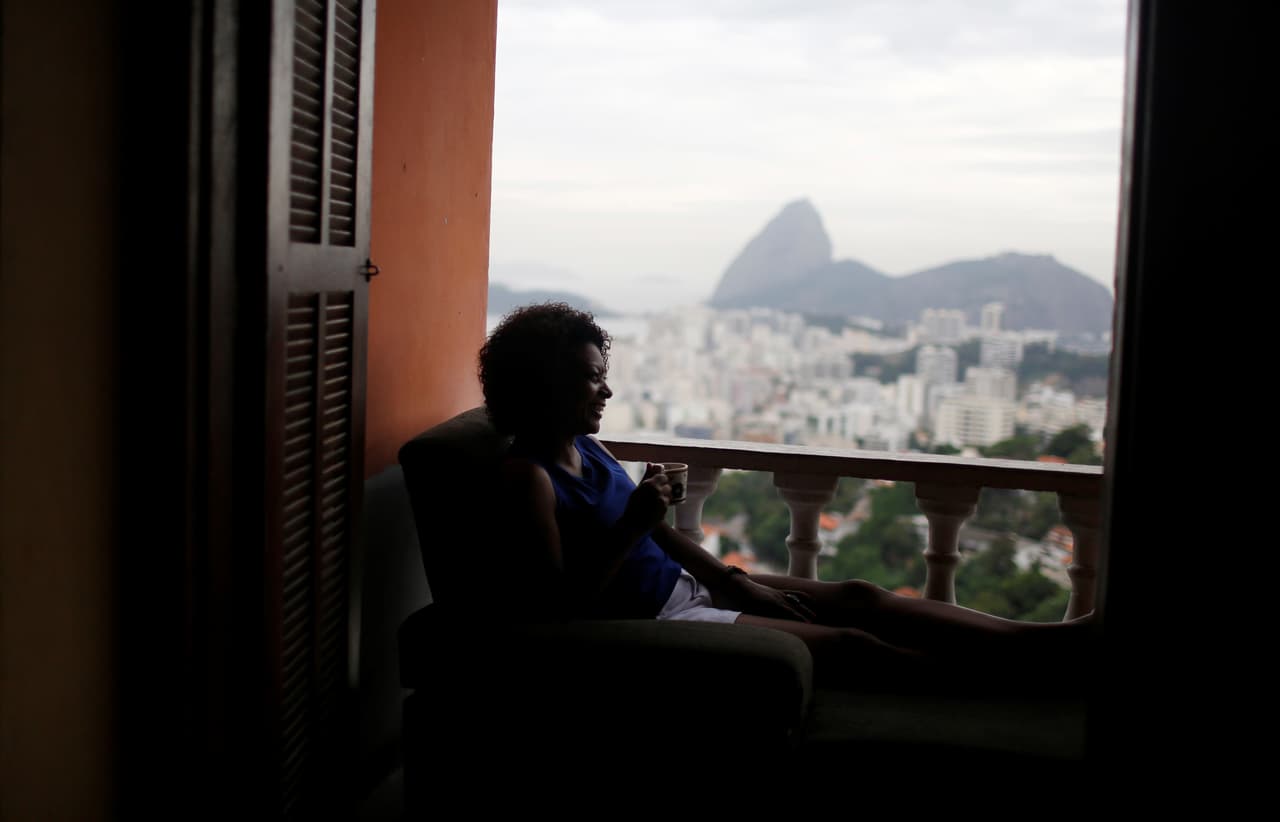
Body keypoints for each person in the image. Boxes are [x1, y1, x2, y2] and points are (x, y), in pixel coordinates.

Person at [480, 302, 1091, 691]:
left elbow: (659, 532)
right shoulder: (527, 478)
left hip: (688, 587)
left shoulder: (586, 447)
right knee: (853, 647)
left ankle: (1032, 643)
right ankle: (1017, 684)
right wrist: (631, 526)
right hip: (659, 618)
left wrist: (736, 581)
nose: (606, 392)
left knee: (858, 596)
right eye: (592, 379)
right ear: (546, 385)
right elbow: (553, 611)